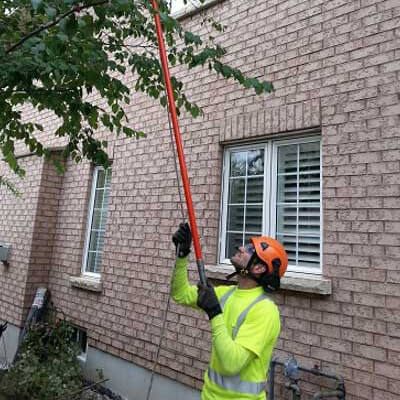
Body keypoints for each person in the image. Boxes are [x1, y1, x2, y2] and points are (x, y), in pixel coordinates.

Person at [171, 223, 288, 400]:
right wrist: (182, 255)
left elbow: (231, 364)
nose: (241, 248)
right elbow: (180, 294)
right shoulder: (225, 294)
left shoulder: (264, 310)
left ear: (258, 268)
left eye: (249, 249)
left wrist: (214, 312)